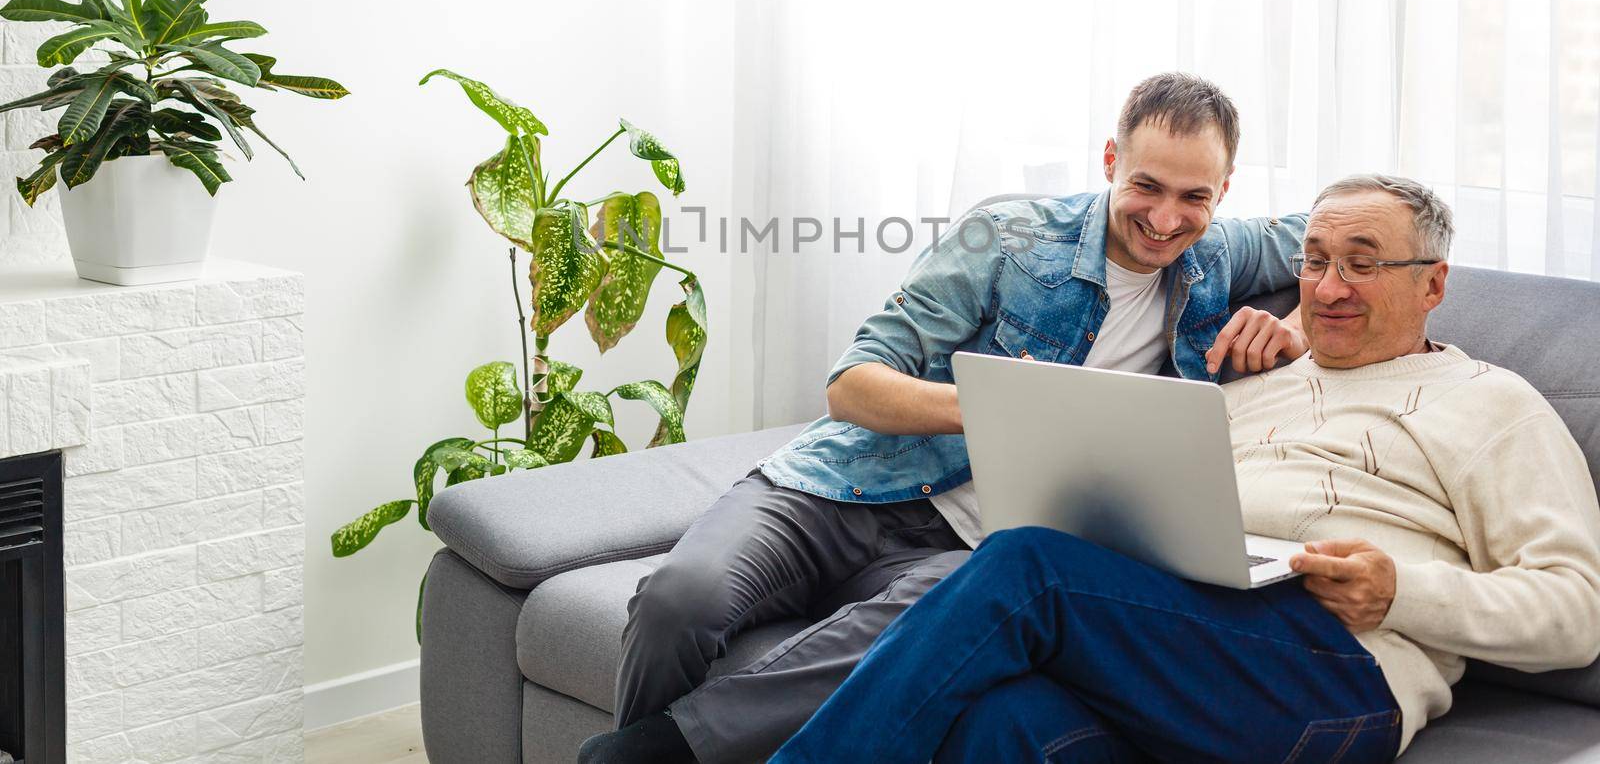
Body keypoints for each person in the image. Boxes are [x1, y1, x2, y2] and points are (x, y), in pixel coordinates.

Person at [580, 73, 1309, 764]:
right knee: (678, 602)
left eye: (1194, 196)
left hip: (959, 550)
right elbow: (852, 384)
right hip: (840, 487)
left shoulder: (1218, 253)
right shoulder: (1005, 234)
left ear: (1225, 190)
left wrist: (1301, 324)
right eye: (1146, 185)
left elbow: (1351, 228)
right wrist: (998, 411)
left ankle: (655, 752)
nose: (1165, 217)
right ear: (1111, 159)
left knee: (954, 617)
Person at [772, 174, 1600, 764]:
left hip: (1334, 670)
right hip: (1186, 637)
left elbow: (1577, 609)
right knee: (1006, 721)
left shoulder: (1494, 402)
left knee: (1027, 565)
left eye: (1362, 261)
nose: (1329, 285)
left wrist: (1401, 592)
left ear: (1434, 283)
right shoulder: (1255, 379)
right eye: (1313, 260)